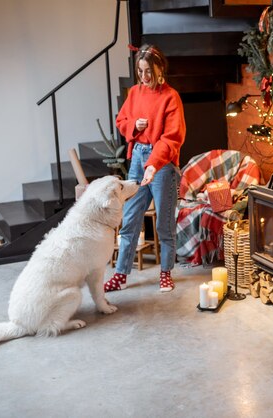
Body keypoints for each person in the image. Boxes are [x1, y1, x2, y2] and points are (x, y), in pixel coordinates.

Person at [104, 44, 186, 293]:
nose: (144, 76)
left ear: (160, 68)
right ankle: (120, 274)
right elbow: (121, 120)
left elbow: (172, 137)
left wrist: (154, 165)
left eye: (148, 70)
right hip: (138, 158)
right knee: (130, 219)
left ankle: (165, 273)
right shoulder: (135, 93)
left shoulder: (171, 97)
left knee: (164, 224)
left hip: (162, 164)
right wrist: (134, 126)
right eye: (140, 71)